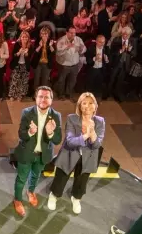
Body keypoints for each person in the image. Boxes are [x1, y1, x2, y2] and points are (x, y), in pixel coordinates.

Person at [48, 92, 105, 214]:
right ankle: (54, 195)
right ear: (79, 106)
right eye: (84, 103)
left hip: (88, 157)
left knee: (82, 180)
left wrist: (92, 132)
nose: (87, 106)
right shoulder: (72, 119)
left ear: (95, 106)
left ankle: (76, 198)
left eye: (91, 103)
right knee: (61, 177)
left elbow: (96, 145)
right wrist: (85, 136)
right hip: (70, 154)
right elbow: (70, 141)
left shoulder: (100, 122)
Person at [13, 86, 62, 217]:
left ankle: (31, 192)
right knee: (21, 178)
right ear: (36, 98)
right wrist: (30, 132)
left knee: (35, 176)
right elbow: (21, 135)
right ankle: (17, 200)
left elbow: (57, 140)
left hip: (43, 155)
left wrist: (50, 133)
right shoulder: (27, 113)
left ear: (52, 99)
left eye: (47, 97)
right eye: (40, 96)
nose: (43, 99)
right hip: (26, 153)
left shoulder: (56, 116)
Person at [54, 27, 86, 100]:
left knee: (72, 80)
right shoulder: (61, 40)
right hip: (64, 65)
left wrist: (81, 48)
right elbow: (58, 53)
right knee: (61, 80)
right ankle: (61, 94)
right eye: (71, 33)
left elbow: (84, 49)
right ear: (67, 33)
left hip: (75, 64)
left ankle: (68, 93)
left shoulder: (78, 39)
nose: (73, 35)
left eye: (74, 33)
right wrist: (67, 47)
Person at [9, 31, 34, 100]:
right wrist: (19, 52)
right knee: (14, 80)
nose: (24, 38)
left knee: (23, 81)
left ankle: (20, 95)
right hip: (17, 64)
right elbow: (13, 55)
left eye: (26, 37)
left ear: (28, 38)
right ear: (20, 37)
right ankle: (12, 95)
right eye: (23, 37)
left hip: (25, 65)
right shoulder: (17, 44)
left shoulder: (30, 46)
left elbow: (30, 58)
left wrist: (26, 55)